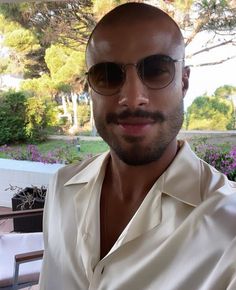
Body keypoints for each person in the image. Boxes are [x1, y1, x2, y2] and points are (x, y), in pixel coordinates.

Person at [39, 3, 236, 290]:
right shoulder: (62, 188)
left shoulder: (227, 225)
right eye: (107, 75)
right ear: (90, 88)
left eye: (156, 70)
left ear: (183, 82)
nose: (132, 99)